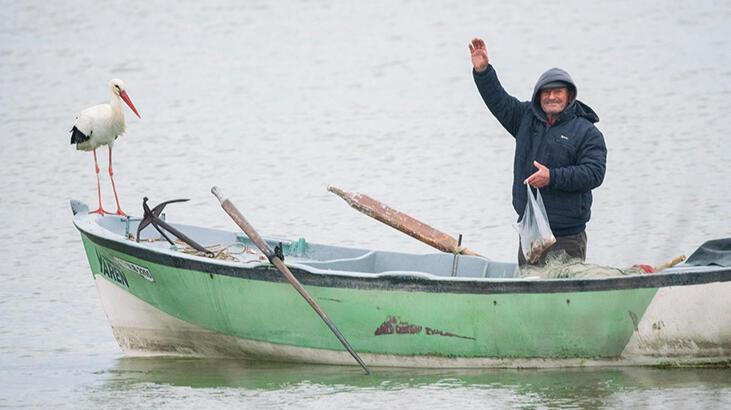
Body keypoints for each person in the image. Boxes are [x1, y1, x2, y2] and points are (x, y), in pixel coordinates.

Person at [468, 38, 607, 266]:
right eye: (546, 92)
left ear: (569, 95)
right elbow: (498, 101)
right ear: (538, 96)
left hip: (567, 236)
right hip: (530, 232)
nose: (552, 97)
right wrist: (482, 71)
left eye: (558, 92)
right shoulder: (525, 118)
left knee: (564, 297)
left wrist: (552, 177)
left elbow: (594, 173)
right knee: (529, 292)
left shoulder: (587, 132)